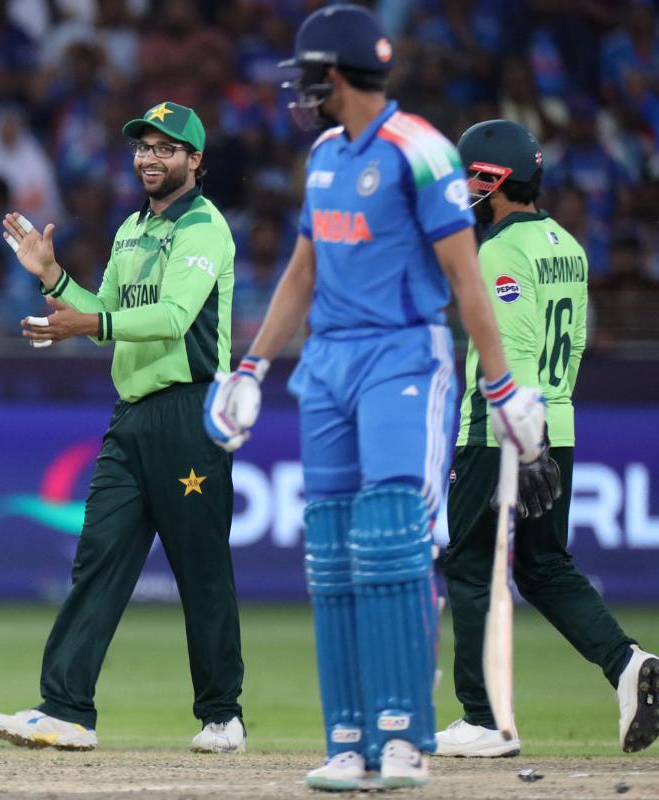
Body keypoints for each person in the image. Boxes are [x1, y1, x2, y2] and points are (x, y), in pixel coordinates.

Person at [203, 6, 548, 791]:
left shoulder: (420, 152)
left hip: (403, 358)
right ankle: (349, 740)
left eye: (308, 78)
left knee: (391, 540)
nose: (301, 93)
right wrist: (252, 369)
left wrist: (501, 387)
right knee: (329, 554)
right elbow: (302, 270)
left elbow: (465, 277)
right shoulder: (324, 153)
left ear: (336, 73)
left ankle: (402, 739)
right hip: (325, 363)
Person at [0, 101, 246, 754]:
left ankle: (223, 715)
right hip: (131, 418)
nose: (150, 159)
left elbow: (172, 318)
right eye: (143, 148)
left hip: (191, 415)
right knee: (97, 560)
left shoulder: (205, 227)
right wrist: (53, 278)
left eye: (166, 149)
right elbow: (104, 309)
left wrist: (89, 324)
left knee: (201, 570)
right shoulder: (132, 229)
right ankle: (66, 709)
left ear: (195, 161)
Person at [435, 118, 659, 758]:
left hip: (501, 430)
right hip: (556, 421)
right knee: (542, 563)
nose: (462, 190)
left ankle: (483, 719)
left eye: (468, 178)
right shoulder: (567, 244)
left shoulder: (498, 252)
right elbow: (577, 341)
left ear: (492, 179)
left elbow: (515, 348)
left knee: (472, 566)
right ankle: (626, 665)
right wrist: (543, 433)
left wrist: (522, 442)